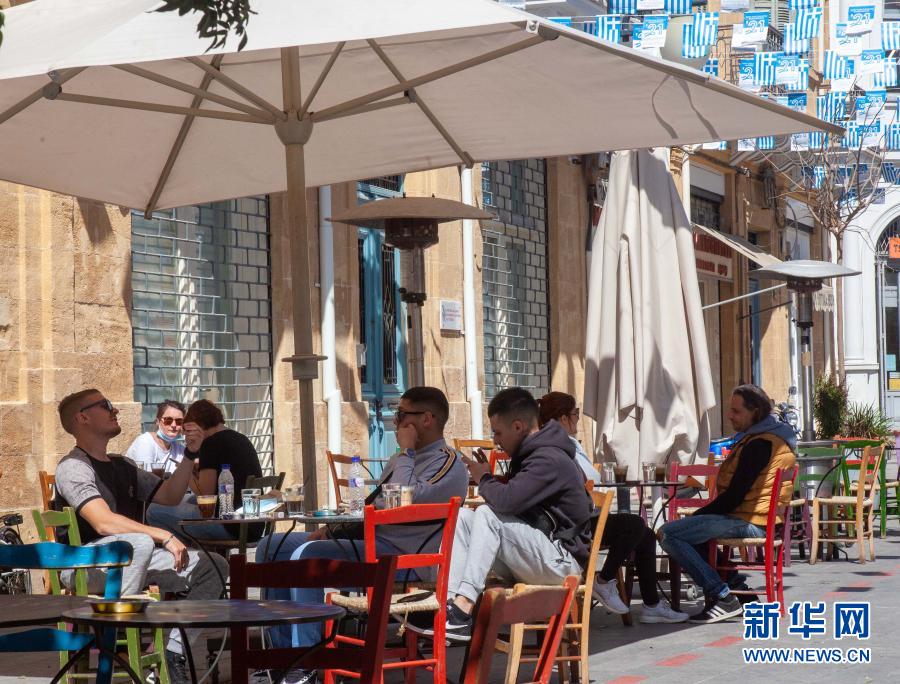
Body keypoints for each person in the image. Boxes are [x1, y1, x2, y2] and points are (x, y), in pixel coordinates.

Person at [255, 386, 468, 684]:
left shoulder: (447, 463)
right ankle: (282, 658)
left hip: (403, 559)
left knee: (306, 557)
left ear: (427, 419)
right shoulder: (400, 460)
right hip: (371, 544)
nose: (395, 421)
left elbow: (402, 502)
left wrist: (406, 452)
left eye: (402, 414)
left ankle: (306, 664)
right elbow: (374, 506)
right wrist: (331, 530)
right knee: (272, 547)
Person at [53, 389, 228, 683]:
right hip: (85, 566)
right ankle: (118, 641)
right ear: (83, 418)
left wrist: (190, 454)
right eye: (106, 405)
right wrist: (162, 535)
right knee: (140, 541)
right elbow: (103, 522)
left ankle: (173, 651)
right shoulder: (73, 467)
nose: (115, 410)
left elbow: (170, 496)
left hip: (133, 558)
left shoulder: (123, 466)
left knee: (214, 566)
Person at [429, 387, 593, 642]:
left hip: (563, 563)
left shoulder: (548, 458)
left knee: (487, 514)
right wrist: (488, 477)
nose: (496, 441)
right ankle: (450, 607)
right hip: (540, 552)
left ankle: (463, 606)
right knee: (463, 518)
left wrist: (484, 478)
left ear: (518, 427)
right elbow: (517, 495)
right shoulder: (534, 454)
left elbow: (506, 502)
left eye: (497, 432)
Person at [538, 392, 687, 623]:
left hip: (581, 517)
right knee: (633, 524)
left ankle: (651, 605)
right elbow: (591, 477)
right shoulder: (559, 446)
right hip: (573, 525)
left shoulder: (569, 444)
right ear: (563, 418)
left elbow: (592, 477)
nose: (578, 419)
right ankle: (603, 580)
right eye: (576, 414)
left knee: (645, 535)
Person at [658, 384, 797, 624]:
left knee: (669, 534)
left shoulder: (759, 444)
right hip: (757, 518)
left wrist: (697, 516)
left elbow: (734, 496)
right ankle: (739, 591)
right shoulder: (771, 438)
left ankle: (722, 596)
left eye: (736, 411)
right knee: (691, 534)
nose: (730, 416)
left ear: (755, 412)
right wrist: (699, 519)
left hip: (750, 521)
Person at [147, 399, 263, 543]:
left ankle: (188, 551)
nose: (188, 436)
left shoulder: (210, 443)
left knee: (154, 510)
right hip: (255, 526)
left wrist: (187, 471)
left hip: (229, 525)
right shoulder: (241, 438)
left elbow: (205, 497)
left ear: (198, 426)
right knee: (185, 500)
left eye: (189, 431)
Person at [125, 399, 188, 476]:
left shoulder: (179, 449)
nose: (174, 425)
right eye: (168, 420)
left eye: (179, 421)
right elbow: (147, 479)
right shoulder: (145, 443)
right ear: (157, 421)